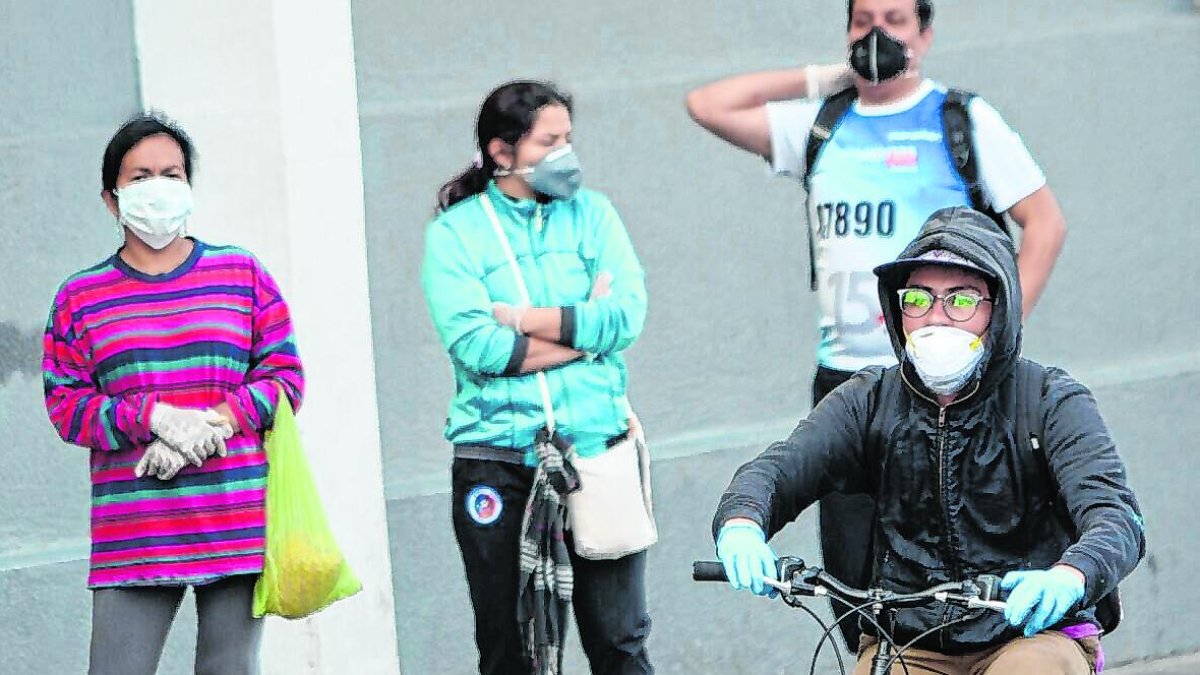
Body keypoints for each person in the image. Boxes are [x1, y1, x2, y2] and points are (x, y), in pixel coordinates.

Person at [686, 0, 1069, 638]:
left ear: (925, 34)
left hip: (947, 384)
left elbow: (1045, 223)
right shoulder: (825, 123)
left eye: (894, 19)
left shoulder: (960, 120)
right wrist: (825, 78)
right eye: (863, 20)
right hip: (846, 386)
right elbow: (707, 104)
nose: (876, 32)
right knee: (852, 581)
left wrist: (998, 333)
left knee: (953, 570)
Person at [710, 207, 1144, 674]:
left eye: (961, 300)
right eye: (917, 299)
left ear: (999, 310)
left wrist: (1071, 575)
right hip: (910, 639)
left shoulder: (1049, 399)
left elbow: (1114, 515)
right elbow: (780, 468)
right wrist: (742, 524)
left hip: (1030, 630)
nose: (936, 316)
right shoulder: (868, 400)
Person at [42, 112, 305, 675]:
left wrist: (213, 422)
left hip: (234, 516)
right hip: (136, 527)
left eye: (172, 173)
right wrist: (154, 418)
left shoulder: (241, 274)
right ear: (111, 199)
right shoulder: (80, 298)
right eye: (140, 177)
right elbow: (67, 407)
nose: (158, 187)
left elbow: (285, 379)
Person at [422, 80, 653, 674]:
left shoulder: (594, 214)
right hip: (497, 463)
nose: (565, 154)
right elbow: (479, 347)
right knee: (511, 650)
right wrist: (584, 337)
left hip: (596, 451)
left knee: (620, 644)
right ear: (502, 152)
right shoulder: (455, 234)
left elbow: (626, 317)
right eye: (549, 142)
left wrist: (524, 321)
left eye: (568, 139)